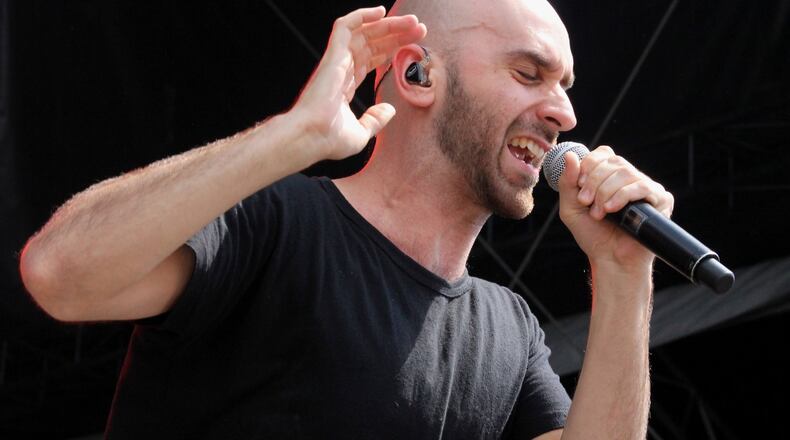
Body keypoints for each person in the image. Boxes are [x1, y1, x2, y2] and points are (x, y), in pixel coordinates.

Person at [20, 0, 673, 438]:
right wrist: (292, 137)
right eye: (530, 73)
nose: (564, 113)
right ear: (416, 74)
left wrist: (624, 274)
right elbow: (59, 274)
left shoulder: (510, 327)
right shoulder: (275, 223)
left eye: (565, 85)